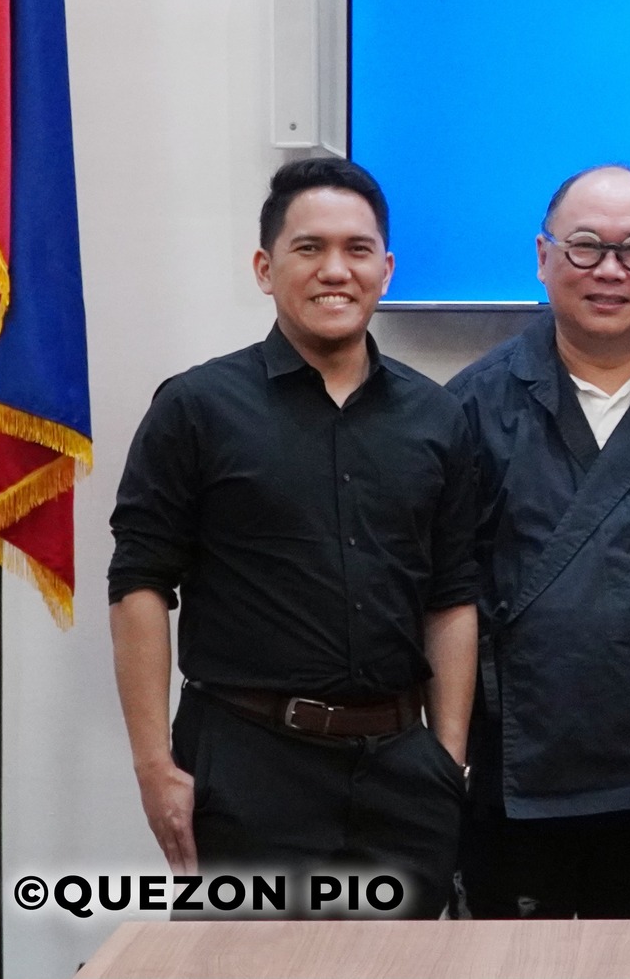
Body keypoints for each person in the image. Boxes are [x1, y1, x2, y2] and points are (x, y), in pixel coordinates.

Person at [108, 157, 476, 918]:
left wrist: (447, 758)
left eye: (357, 249)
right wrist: (154, 763)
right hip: (247, 763)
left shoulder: (438, 418)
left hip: (402, 775)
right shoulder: (196, 408)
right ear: (264, 267)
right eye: (309, 248)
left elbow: (452, 595)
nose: (334, 270)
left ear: (387, 268)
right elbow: (141, 582)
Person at [447, 164, 630, 919]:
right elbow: (440, 594)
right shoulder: (467, 408)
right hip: (513, 768)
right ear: (543, 257)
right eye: (585, 247)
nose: (609, 270)